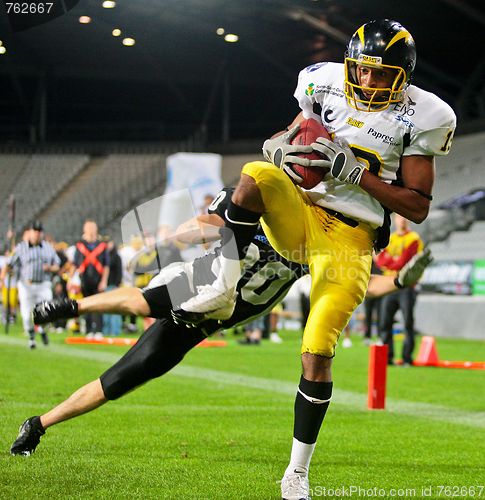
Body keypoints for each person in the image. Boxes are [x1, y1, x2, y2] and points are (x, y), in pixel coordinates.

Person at [178, 19, 456, 498]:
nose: (367, 82)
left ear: (402, 77)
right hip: (303, 212)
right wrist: (281, 145)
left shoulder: (424, 116)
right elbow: (290, 135)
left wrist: (359, 176)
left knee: (317, 348)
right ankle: (222, 286)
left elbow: (418, 207)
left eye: (380, 74)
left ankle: (296, 472)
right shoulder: (321, 82)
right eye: (362, 71)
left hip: (351, 236)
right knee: (256, 173)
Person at [10, 187, 432, 462]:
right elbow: (188, 233)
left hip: (209, 319)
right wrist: (229, 228)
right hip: (201, 281)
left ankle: (39, 423)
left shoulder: (321, 238)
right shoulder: (257, 200)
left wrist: (397, 280)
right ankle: (75, 307)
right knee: (142, 303)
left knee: (125, 376)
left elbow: (357, 280)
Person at [0, 221, 60, 348]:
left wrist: (50, 268)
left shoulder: (48, 248)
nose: (37, 234)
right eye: (35, 231)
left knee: (46, 310)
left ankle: (42, 329)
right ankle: (31, 337)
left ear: (42, 233)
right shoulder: (21, 247)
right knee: (26, 314)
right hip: (26, 285)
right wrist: (2, 277)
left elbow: (57, 265)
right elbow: (9, 264)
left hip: (43, 284)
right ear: (30, 232)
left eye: (39, 231)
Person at [376, 214, 424, 366]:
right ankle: (388, 357)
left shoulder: (414, 238)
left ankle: (407, 358)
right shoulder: (391, 238)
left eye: (404, 217)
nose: (402, 220)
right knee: (384, 322)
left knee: (408, 323)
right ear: (395, 219)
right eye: (399, 217)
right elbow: (382, 260)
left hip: (406, 287)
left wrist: (392, 261)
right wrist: (393, 261)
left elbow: (403, 262)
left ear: (408, 220)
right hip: (389, 285)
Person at [74, 220, 110, 337]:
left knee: (99, 305)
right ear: (84, 230)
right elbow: (75, 264)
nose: (90, 231)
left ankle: (98, 330)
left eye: (92, 228)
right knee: (86, 305)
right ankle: (89, 330)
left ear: (96, 230)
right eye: (88, 228)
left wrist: (104, 281)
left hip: (98, 281)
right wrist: (75, 281)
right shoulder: (79, 245)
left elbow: (106, 265)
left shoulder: (102, 246)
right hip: (84, 281)